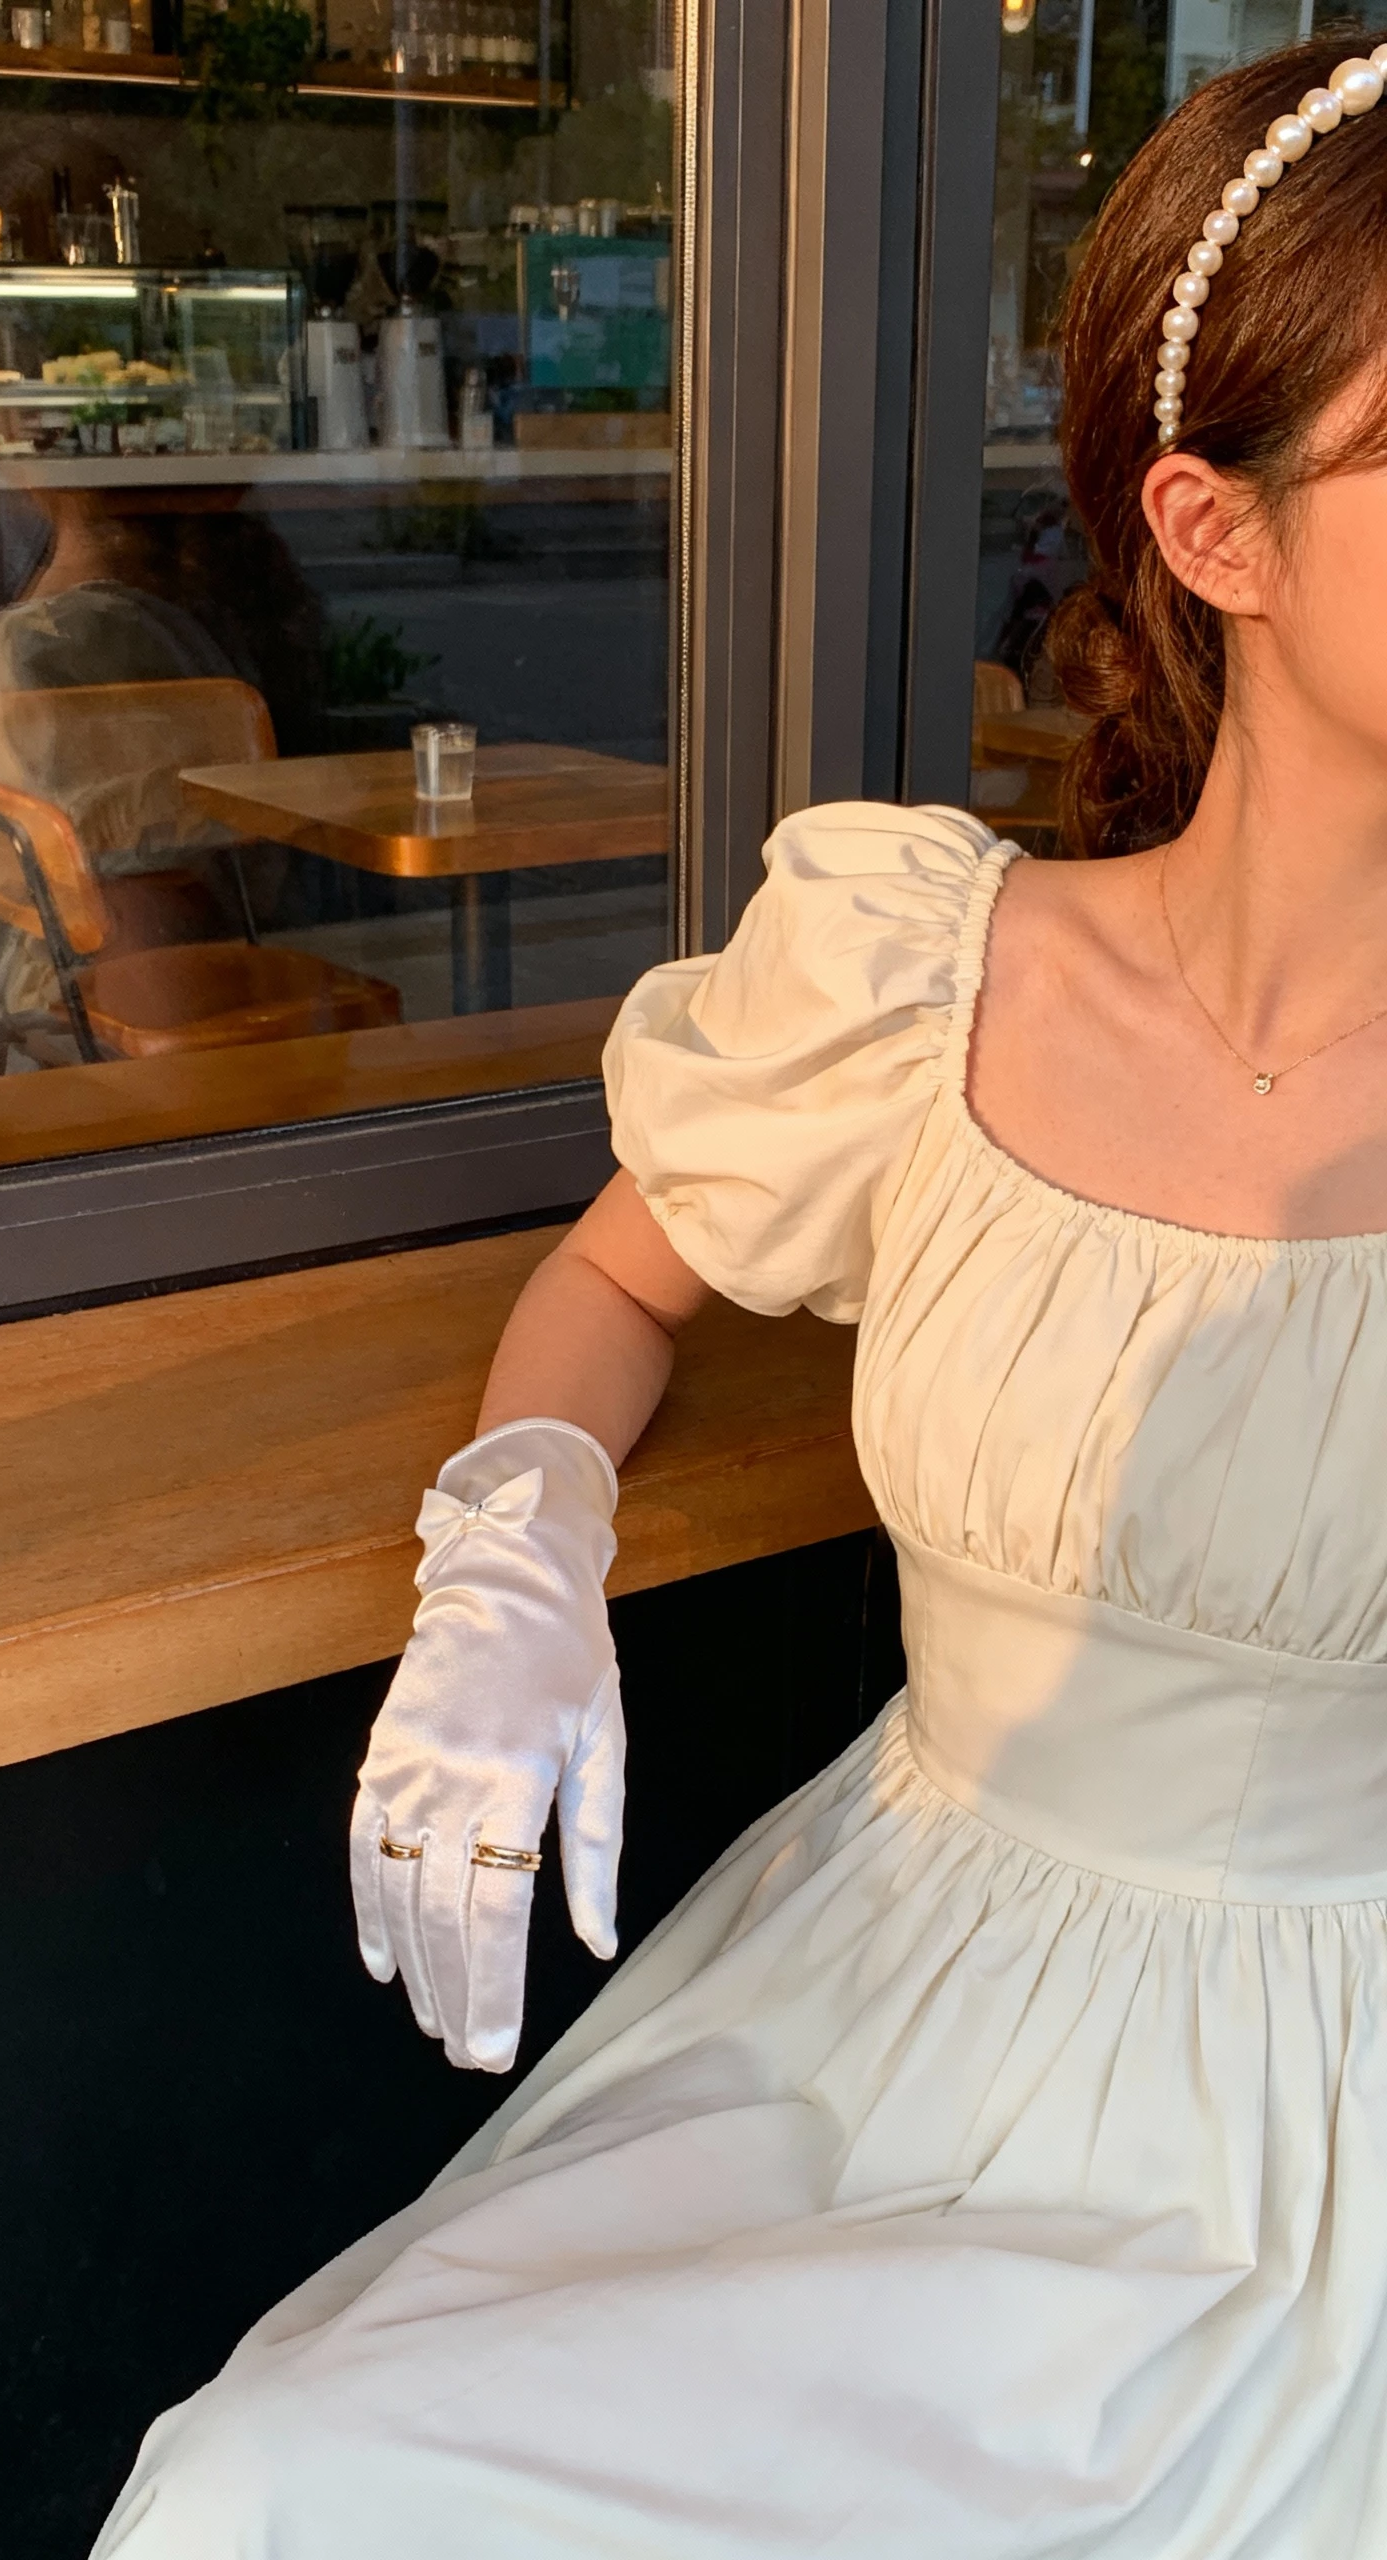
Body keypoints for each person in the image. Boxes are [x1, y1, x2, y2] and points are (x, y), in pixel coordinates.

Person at [95, 35, 1387, 2555]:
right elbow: (618, 1274)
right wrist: (516, 1551)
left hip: (1326, 2119)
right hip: (882, 1992)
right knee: (276, 2483)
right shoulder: (923, 973)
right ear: (1210, 530)